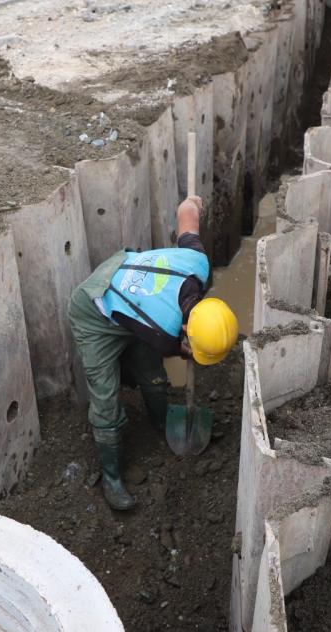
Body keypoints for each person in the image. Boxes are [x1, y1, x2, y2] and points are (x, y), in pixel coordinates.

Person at [68, 195, 239, 511]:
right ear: (186, 332)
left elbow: (186, 212)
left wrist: (193, 203)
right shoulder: (163, 331)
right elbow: (177, 349)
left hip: (127, 276)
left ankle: (161, 421)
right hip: (95, 308)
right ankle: (111, 477)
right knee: (105, 396)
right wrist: (186, 351)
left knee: (150, 370)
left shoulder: (197, 262)